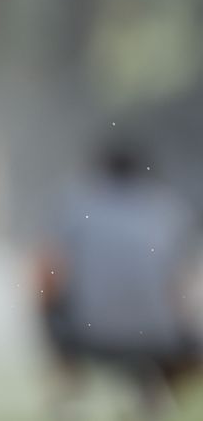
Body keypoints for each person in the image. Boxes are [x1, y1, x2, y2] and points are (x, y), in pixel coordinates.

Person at [37, 143, 201, 419]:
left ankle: (68, 389)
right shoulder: (167, 209)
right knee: (190, 340)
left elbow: (49, 272)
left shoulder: (76, 205)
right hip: (157, 339)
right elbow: (182, 284)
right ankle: (154, 394)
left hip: (88, 335)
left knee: (48, 304)